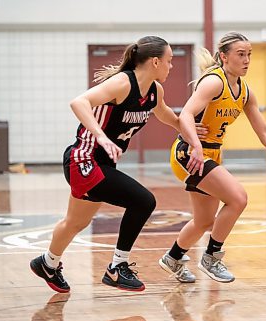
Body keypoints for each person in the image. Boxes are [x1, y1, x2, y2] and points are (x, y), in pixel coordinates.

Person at [30, 36, 207, 293]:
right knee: (143, 201)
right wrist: (101, 136)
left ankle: (47, 263)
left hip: (103, 163)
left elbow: (169, 117)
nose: (171, 67)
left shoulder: (155, 91)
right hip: (84, 159)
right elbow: (78, 102)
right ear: (155, 61)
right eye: (169, 61)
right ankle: (116, 268)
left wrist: (190, 132)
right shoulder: (122, 83)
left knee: (75, 222)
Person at [159, 32, 266, 283]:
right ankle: (211, 258)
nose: (246, 60)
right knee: (238, 198)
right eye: (240, 54)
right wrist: (196, 146)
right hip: (189, 154)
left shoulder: (244, 91)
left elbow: (264, 131)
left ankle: (173, 258)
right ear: (224, 56)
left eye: (249, 55)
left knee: (203, 221)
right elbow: (187, 114)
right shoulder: (214, 82)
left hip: (210, 154)